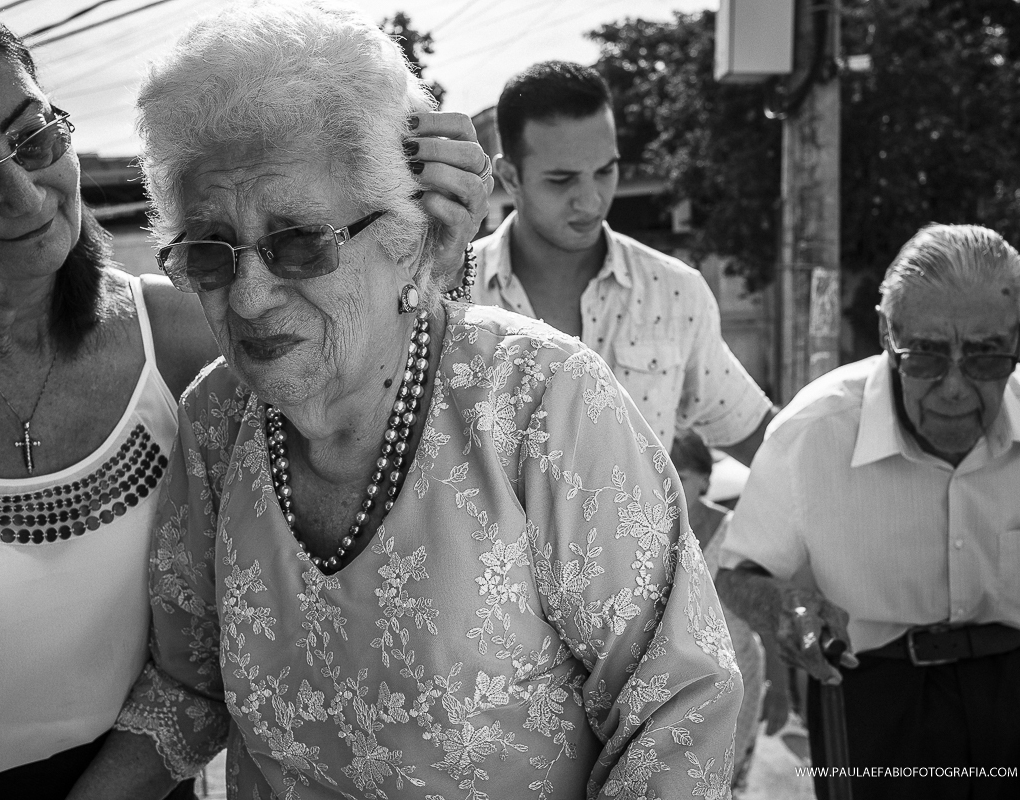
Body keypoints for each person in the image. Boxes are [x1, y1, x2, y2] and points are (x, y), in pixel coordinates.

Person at [66, 3, 743, 798]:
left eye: (299, 243)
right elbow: (190, 687)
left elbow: (677, 708)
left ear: (403, 235)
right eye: (211, 254)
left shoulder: (541, 403)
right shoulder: (218, 418)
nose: (248, 298)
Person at [0, 0, 491, 794]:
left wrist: (417, 255)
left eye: (34, 136)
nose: (28, 192)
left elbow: (384, 435)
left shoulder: (189, 337)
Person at [716, 224, 1020, 799]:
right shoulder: (812, 433)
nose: (955, 390)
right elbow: (737, 576)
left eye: (988, 357)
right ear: (888, 335)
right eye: (927, 356)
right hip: (873, 697)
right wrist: (787, 609)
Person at [472, 61, 774, 463]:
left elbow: (765, 442)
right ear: (510, 177)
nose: (591, 199)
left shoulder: (674, 292)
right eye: (561, 180)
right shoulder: (449, 290)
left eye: (605, 170)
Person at [670, 431, 772, 793]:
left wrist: (783, 692)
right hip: (675, 687)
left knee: (721, 781)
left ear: (704, 481)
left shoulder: (735, 532)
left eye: (679, 475)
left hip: (735, 678)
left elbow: (765, 609)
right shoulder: (646, 530)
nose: (667, 482)